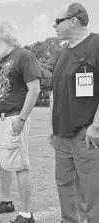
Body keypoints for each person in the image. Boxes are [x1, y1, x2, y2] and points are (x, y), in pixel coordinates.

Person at [0, 21, 41, 223]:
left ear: (7, 35)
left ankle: (26, 214)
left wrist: (22, 119)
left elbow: (34, 89)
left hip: (13, 118)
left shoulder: (24, 56)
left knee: (20, 165)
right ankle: (6, 201)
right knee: (2, 162)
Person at [50, 3, 99, 223]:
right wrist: (54, 130)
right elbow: (55, 91)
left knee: (92, 192)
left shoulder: (96, 44)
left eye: (57, 21)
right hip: (62, 135)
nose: (54, 25)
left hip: (86, 134)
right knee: (65, 187)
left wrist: (96, 125)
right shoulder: (63, 53)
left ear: (74, 20)